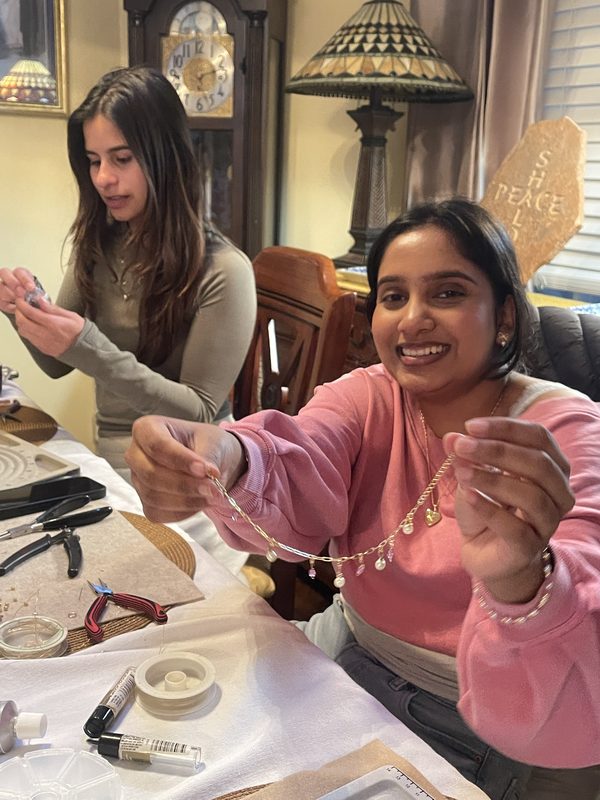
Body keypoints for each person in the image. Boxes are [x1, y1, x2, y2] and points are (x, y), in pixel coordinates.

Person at [124, 199, 600, 799]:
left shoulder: (566, 432)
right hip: (351, 651)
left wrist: (522, 577)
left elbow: (583, 604)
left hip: (489, 718)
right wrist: (225, 454)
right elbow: (298, 450)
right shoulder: (369, 395)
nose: (413, 320)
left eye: (448, 293)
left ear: (504, 314)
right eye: (393, 297)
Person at [0, 66, 256, 573]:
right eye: (94, 161)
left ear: (166, 158)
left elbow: (200, 413)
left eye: (122, 158)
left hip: (187, 484)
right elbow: (56, 366)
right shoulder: (99, 244)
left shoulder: (225, 270)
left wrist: (85, 344)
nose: (103, 179)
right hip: (111, 469)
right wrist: (21, 310)